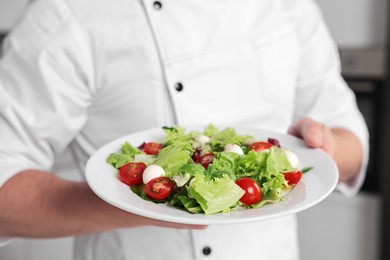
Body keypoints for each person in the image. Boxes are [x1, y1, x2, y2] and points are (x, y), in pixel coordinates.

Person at [0, 0, 368, 259]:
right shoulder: (67, 14)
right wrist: (136, 202)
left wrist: (325, 149)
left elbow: (350, 139)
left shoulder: (290, 6)